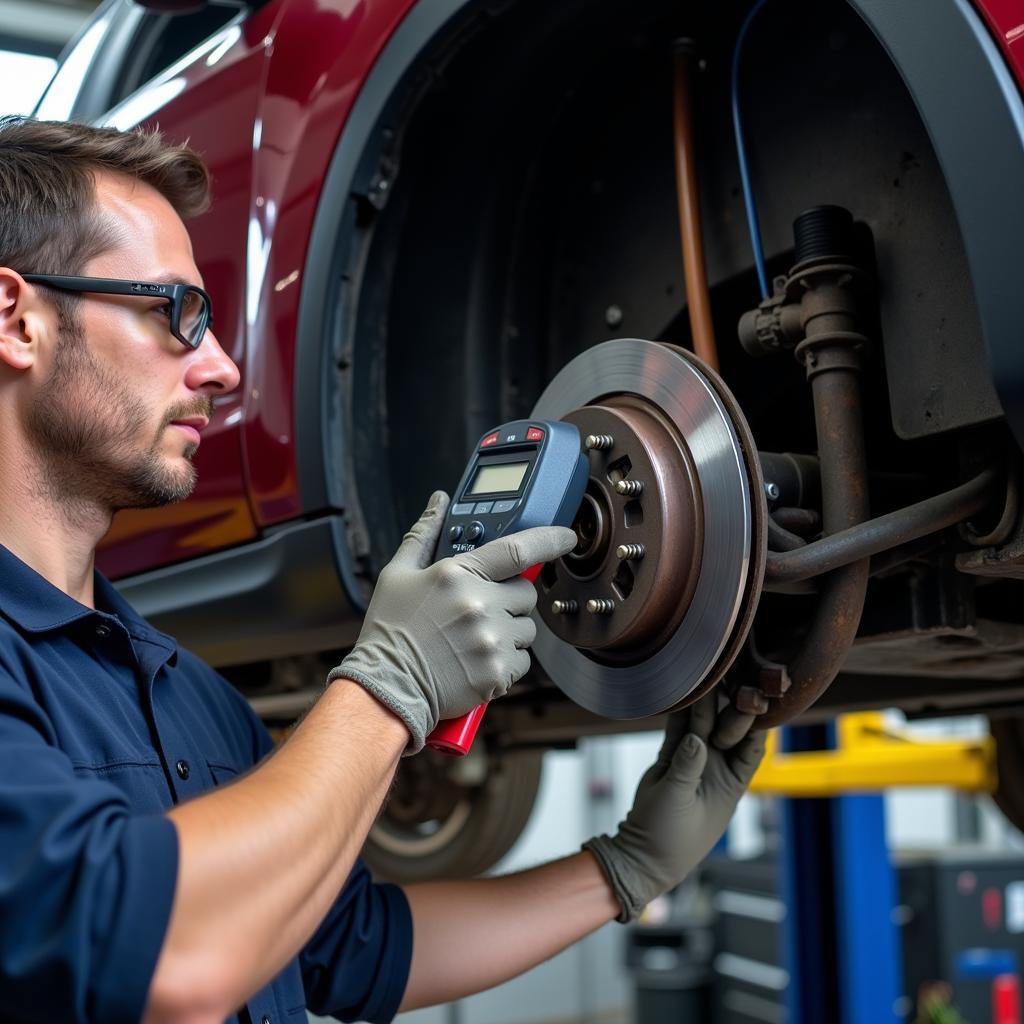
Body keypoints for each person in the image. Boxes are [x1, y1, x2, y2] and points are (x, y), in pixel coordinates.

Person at [0, 114, 765, 1024]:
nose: (223, 368)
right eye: (178, 312)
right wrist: (385, 688)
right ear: (17, 320)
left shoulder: (186, 697)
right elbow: (167, 951)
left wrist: (625, 868)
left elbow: (355, 947)